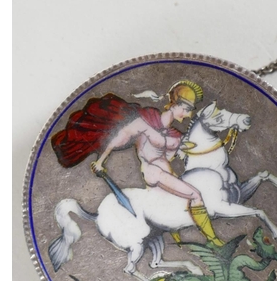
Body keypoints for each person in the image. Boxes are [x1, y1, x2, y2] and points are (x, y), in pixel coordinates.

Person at [51, 80, 224, 246]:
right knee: (195, 195)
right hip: (153, 173)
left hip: (166, 173)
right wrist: (101, 161)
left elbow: (174, 155)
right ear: (175, 104)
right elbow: (118, 137)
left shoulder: (174, 134)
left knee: (178, 207)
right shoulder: (145, 121)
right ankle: (214, 241)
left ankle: (177, 241)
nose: (188, 115)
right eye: (187, 109)